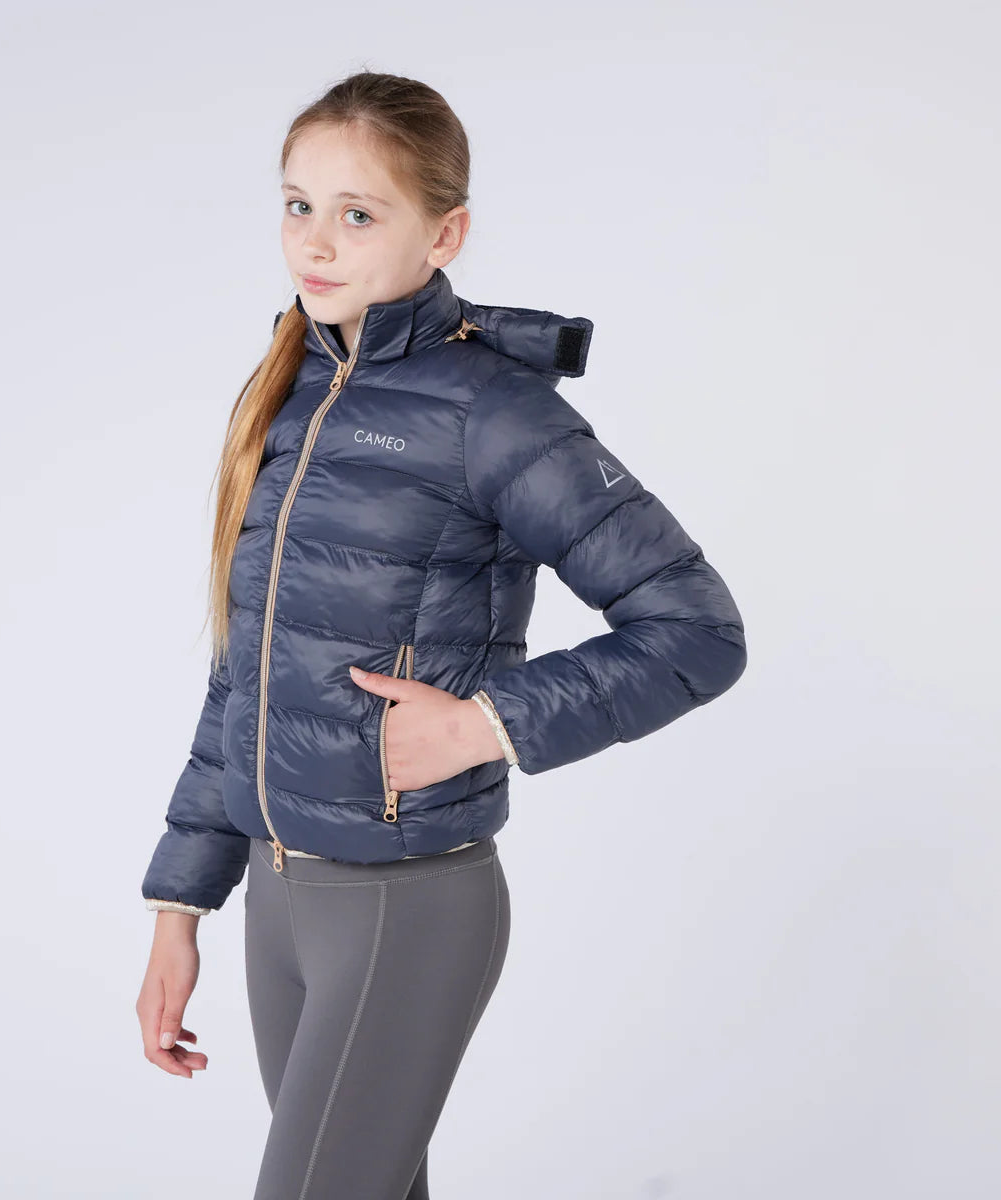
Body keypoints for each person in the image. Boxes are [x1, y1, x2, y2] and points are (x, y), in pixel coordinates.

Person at [134, 70, 748, 1200]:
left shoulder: (494, 411)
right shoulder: (287, 391)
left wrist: (484, 726)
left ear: (444, 232)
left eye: (359, 213)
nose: (317, 242)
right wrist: (182, 905)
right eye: (298, 205)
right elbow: (246, 674)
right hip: (277, 899)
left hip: (403, 904)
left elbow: (696, 629)